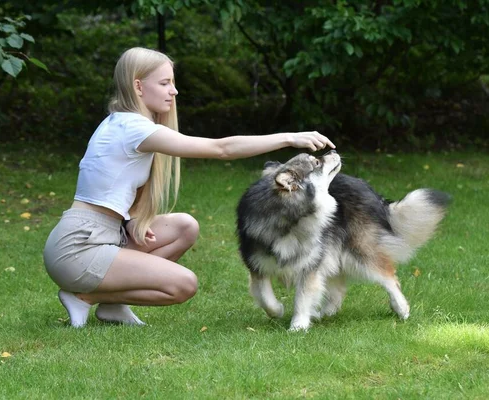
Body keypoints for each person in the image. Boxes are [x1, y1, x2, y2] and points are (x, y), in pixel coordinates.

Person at [42, 47, 335, 327]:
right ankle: (85, 295)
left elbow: (111, 182)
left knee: (185, 227)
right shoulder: (133, 128)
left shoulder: (120, 124)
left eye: (173, 82)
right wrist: (289, 138)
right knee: (183, 284)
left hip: (101, 234)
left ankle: (113, 305)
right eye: (165, 82)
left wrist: (131, 219)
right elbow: (222, 149)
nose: (174, 91)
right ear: (138, 87)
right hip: (79, 247)